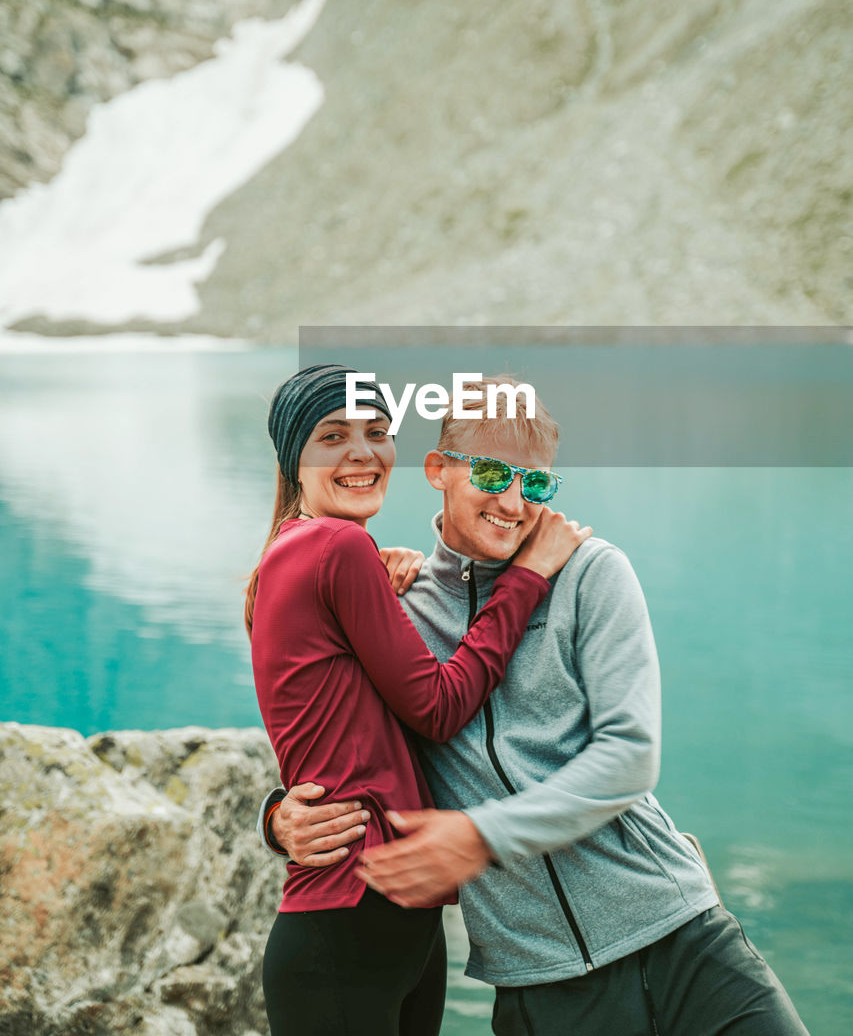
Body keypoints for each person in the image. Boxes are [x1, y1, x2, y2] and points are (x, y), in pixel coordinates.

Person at [262, 375, 809, 1036]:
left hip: (676, 933)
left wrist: (479, 834)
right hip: (536, 978)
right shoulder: (395, 598)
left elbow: (630, 755)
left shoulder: (589, 572)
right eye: (492, 474)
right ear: (438, 470)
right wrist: (278, 815)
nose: (514, 502)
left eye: (537, 483)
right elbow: (335, 729)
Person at [248, 364, 591, 1036]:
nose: (361, 452)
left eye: (377, 432)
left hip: (383, 914)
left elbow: (343, 729)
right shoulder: (336, 546)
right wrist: (523, 578)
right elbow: (438, 707)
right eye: (332, 435)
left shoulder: (301, 555)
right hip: (351, 918)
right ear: (295, 456)